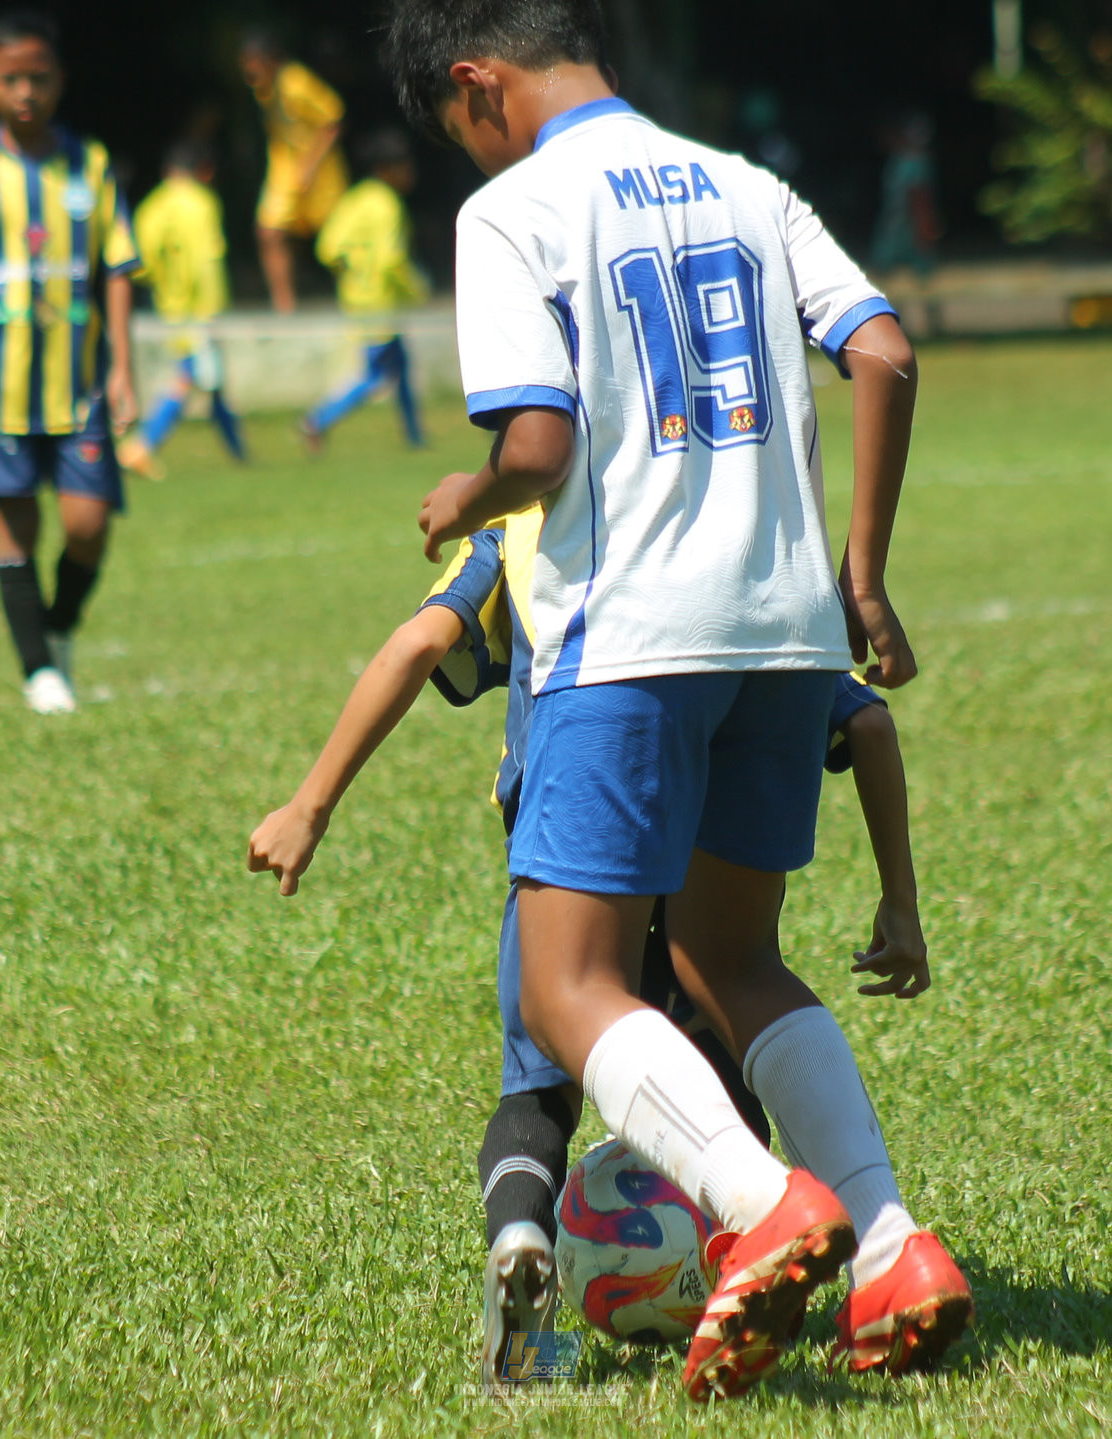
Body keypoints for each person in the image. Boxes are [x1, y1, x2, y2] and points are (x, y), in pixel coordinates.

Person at [385, 0, 968, 1399]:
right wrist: (863, 577)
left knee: (567, 979)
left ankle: (758, 1199)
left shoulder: (515, 211)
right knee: (731, 956)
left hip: (629, 629)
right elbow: (883, 348)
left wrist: (476, 490)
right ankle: (890, 1239)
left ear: (478, 85)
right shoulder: (748, 183)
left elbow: (536, 442)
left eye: (452, 132)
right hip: (781, 628)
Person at [245, 508, 932, 1386]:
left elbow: (419, 644)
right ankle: (731, 1266)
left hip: (567, 876)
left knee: (538, 1097)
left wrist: (311, 804)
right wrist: (899, 902)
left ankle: (523, 1271)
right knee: (724, 1090)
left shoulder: (524, 528)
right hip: (701, 890)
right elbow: (867, 724)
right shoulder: (706, 541)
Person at [0, 9, 141, 716]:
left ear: (60, 82)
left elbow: (116, 267)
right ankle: (38, 672)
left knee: (87, 524)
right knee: (15, 524)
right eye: (11, 79)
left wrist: (122, 370)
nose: (26, 92)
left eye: (39, 78)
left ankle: (56, 631)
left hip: (76, 386)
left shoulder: (92, 163)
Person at [120, 138, 246, 476]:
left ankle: (240, 454)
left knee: (211, 382)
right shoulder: (202, 203)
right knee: (191, 378)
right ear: (205, 172)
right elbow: (206, 262)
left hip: (171, 309)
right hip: (200, 312)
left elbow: (139, 264)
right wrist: (213, 310)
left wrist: (165, 281)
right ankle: (141, 445)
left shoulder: (154, 206)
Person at [299, 128, 428, 453]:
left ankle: (415, 435)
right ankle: (316, 421)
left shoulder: (354, 199)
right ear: (388, 169)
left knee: (400, 367)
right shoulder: (387, 205)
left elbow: (327, 249)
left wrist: (353, 270)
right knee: (375, 376)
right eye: (404, 166)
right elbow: (390, 260)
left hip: (356, 299)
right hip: (380, 304)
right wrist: (416, 289)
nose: (410, 173)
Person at [240, 33, 348, 314]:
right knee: (269, 232)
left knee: (337, 239)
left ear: (271, 61)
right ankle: (284, 307)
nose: (250, 73)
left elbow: (333, 120)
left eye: (254, 65)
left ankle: (350, 302)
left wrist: (311, 165)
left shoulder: (297, 82)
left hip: (319, 170)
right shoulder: (262, 87)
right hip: (284, 171)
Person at [869, 111, 941, 278]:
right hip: (893, 227)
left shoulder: (916, 164)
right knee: (886, 279)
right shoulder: (897, 161)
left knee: (921, 281)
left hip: (908, 229)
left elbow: (920, 200)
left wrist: (925, 230)